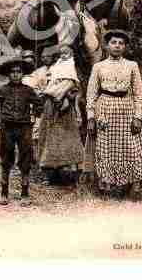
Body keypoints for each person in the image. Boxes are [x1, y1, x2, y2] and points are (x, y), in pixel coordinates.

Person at [86, 29, 142, 199]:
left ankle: (132, 183)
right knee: (106, 146)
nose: (117, 46)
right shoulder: (98, 67)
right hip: (105, 110)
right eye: (113, 42)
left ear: (125, 47)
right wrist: (91, 117)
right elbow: (91, 94)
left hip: (127, 110)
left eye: (121, 43)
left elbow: (139, 93)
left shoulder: (131, 65)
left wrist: (138, 116)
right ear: (107, 46)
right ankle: (107, 183)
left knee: (130, 146)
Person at [0, 56, 43, 206]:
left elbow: (39, 105)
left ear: (23, 74)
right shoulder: (3, 90)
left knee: (25, 158)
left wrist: (34, 115)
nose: (16, 74)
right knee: (6, 158)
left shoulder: (28, 90)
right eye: (12, 72)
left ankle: (25, 193)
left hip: (24, 127)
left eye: (18, 72)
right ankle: (4, 192)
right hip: (7, 127)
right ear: (8, 74)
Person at [37, 44, 84, 185]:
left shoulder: (72, 69)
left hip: (65, 110)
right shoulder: (54, 68)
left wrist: (67, 94)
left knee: (66, 139)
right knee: (49, 138)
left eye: (67, 54)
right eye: (61, 54)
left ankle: (71, 174)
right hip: (50, 107)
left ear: (72, 56)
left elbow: (75, 89)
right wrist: (49, 91)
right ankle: (50, 173)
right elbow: (48, 84)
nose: (64, 56)